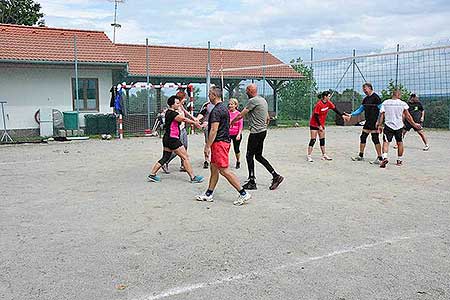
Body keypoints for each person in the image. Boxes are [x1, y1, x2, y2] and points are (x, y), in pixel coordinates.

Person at [196, 87, 251, 205]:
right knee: (214, 168)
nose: (209, 96)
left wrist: (207, 146)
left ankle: (243, 193)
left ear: (214, 95)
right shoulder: (224, 109)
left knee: (224, 170)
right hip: (222, 142)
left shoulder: (216, 110)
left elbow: (214, 130)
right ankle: (209, 193)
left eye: (210, 94)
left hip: (219, 143)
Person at [231, 84, 284, 190]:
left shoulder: (253, 101)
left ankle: (252, 181)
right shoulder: (262, 100)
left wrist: (230, 122)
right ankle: (276, 176)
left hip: (255, 133)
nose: (245, 92)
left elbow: (241, 115)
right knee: (258, 156)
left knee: (249, 156)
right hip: (262, 131)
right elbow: (268, 118)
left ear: (250, 91)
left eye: (246, 90)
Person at [147, 96, 204, 183]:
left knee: (165, 157)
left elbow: (182, 114)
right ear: (172, 104)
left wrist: (182, 105)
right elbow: (183, 119)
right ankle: (193, 177)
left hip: (167, 138)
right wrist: (194, 122)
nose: (179, 105)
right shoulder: (172, 113)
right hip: (172, 139)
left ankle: (152, 174)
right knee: (185, 157)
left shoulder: (169, 112)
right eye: (177, 103)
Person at [376, 90, 422, 168]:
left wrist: (379, 125)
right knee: (399, 142)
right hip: (399, 126)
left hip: (388, 125)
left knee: (386, 142)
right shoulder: (403, 103)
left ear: (392, 95)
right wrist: (414, 124)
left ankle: (385, 157)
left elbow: (382, 115)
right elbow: (408, 116)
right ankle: (399, 160)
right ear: (399, 95)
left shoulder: (386, 102)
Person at [307, 91, 350, 162]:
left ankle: (324, 155)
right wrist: (319, 125)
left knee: (322, 139)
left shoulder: (328, 103)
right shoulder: (319, 104)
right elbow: (316, 115)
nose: (330, 97)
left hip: (321, 124)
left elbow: (335, 109)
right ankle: (309, 156)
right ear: (325, 96)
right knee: (313, 140)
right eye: (329, 96)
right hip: (314, 124)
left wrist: (342, 116)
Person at [162, 91, 196, 173]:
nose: (186, 99)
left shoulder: (181, 107)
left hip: (183, 129)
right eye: (184, 98)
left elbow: (187, 113)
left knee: (185, 147)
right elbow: (182, 118)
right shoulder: (174, 109)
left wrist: (194, 119)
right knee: (177, 150)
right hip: (177, 131)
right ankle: (165, 162)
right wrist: (194, 122)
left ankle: (183, 165)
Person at [349, 83, 383, 164]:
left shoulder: (376, 98)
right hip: (368, 122)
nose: (364, 91)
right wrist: (351, 114)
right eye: (363, 89)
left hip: (374, 122)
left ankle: (380, 158)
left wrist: (379, 122)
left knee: (375, 139)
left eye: (365, 89)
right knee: (363, 137)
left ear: (370, 88)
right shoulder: (365, 99)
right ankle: (361, 156)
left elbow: (381, 111)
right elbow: (360, 109)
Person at [197, 97, 216, 169]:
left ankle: (214, 159)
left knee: (215, 144)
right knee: (208, 143)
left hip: (217, 127)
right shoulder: (207, 105)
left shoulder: (220, 105)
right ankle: (206, 160)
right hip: (208, 128)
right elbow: (202, 113)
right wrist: (196, 119)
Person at [228, 98, 244, 169]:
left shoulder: (239, 114)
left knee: (236, 149)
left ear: (235, 105)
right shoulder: (227, 113)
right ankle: (225, 162)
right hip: (228, 134)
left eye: (231, 104)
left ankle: (238, 161)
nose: (230, 105)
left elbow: (241, 125)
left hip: (236, 134)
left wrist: (238, 134)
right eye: (229, 104)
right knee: (226, 148)